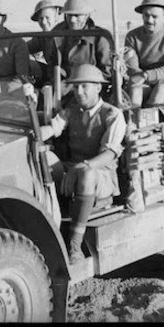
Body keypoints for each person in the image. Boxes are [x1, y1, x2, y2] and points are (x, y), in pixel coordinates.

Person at [39, 64, 126, 264]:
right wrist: (35, 136)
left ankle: (75, 245)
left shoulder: (112, 114)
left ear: (98, 87)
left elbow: (110, 153)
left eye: (84, 86)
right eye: (76, 87)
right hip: (73, 170)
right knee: (45, 159)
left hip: (100, 177)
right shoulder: (71, 111)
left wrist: (82, 167)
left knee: (87, 174)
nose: (79, 92)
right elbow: (53, 128)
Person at [46, 0, 113, 89]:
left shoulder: (101, 38)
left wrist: (79, 84)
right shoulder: (57, 35)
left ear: (87, 15)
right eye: (69, 15)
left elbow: (106, 72)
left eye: (77, 16)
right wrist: (56, 81)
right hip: (62, 85)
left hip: (90, 88)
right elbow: (52, 64)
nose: (72, 20)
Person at [27, 0, 63, 87]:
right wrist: (30, 59)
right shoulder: (41, 38)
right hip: (51, 74)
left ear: (56, 18)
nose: (43, 22)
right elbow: (22, 49)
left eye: (47, 18)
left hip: (65, 77)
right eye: (41, 18)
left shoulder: (64, 36)